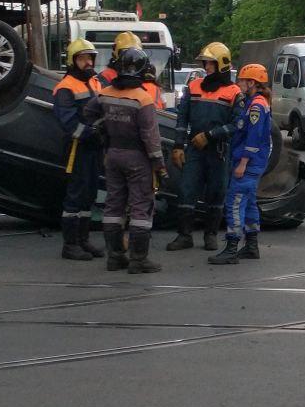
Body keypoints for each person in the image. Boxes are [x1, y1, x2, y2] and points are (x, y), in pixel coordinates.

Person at [88, 46, 167, 274]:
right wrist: (159, 166)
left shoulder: (105, 93)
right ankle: (138, 259)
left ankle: (115, 257)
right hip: (138, 158)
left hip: (112, 155)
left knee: (114, 205)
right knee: (141, 207)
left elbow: (88, 113)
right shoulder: (142, 98)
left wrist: (104, 130)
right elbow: (151, 137)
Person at [167, 42, 243, 251]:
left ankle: (210, 235)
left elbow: (238, 124)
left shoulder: (234, 92)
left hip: (218, 151)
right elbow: (182, 118)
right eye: (205, 63)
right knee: (186, 190)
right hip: (194, 149)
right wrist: (178, 146)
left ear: (222, 65)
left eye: (210, 63)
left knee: (217, 192)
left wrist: (210, 136)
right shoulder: (193, 87)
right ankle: (184, 236)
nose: (206, 67)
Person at [208, 64, 272, 265]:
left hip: (249, 163)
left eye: (242, 81)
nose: (239, 84)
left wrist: (243, 162)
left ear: (251, 82)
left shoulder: (256, 106)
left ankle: (231, 248)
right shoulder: (256, 102)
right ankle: (251, 246)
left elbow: (253, 137)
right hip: (254, 162)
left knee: (234, 203)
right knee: (250, 201)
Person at [52, 38, 105, 260]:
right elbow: (68, 122)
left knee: (89, 194)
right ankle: (70, 244)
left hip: (94, 146)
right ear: (73, 61)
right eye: (83, 58)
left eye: (90, 58)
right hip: (77, 147)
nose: (88, 62)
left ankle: (83, 241)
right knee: (75, 195)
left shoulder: (94, 81)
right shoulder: (65, 87)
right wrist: (91, 133)